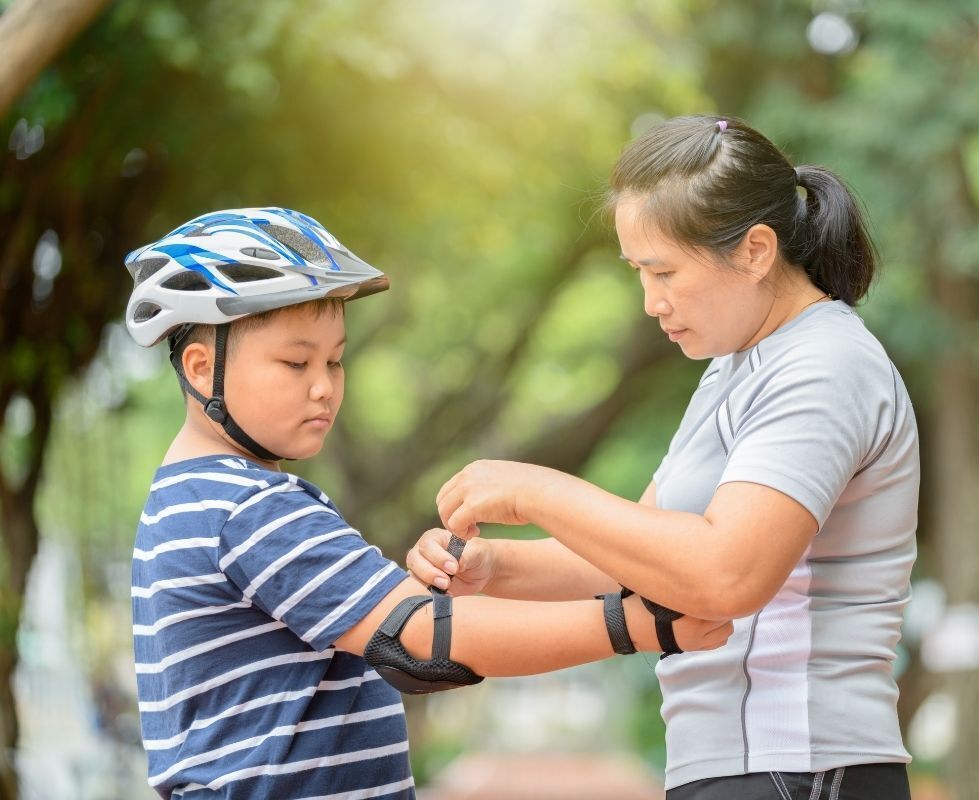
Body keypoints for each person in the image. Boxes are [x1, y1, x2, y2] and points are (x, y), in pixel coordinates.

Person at [125, 207, 731, 800]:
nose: (324, 385)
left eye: (335, 360)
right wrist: (636, 627)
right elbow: (419, 640)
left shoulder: (187, 500)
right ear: (203, 370)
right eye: (294, 362)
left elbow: (393, 647)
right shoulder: (249, 508)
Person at [406, 115, 919, 800]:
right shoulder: (736, 368)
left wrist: (535, 493)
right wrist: (496, 566)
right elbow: (632, 556)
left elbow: (725, 572)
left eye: (664, 271)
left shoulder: (824, 365)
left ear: (756, 250)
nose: (651, 302)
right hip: (738, 767)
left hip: (799, 764)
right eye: (638, 274)